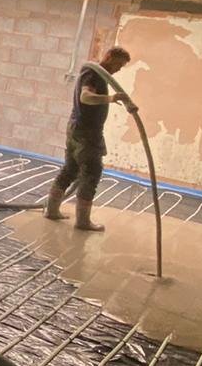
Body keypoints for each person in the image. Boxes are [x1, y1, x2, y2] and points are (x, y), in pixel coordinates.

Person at [45, 46, 135, 231]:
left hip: (78, 129)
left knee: (70, 169)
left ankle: (51, 210)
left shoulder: (95, 74)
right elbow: (85, 97)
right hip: (86, 133)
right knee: (91, 173)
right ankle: (83, 221)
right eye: (118, 64)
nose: (118, 69)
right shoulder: (92, 73)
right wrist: (110, 98)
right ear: (108, 57)